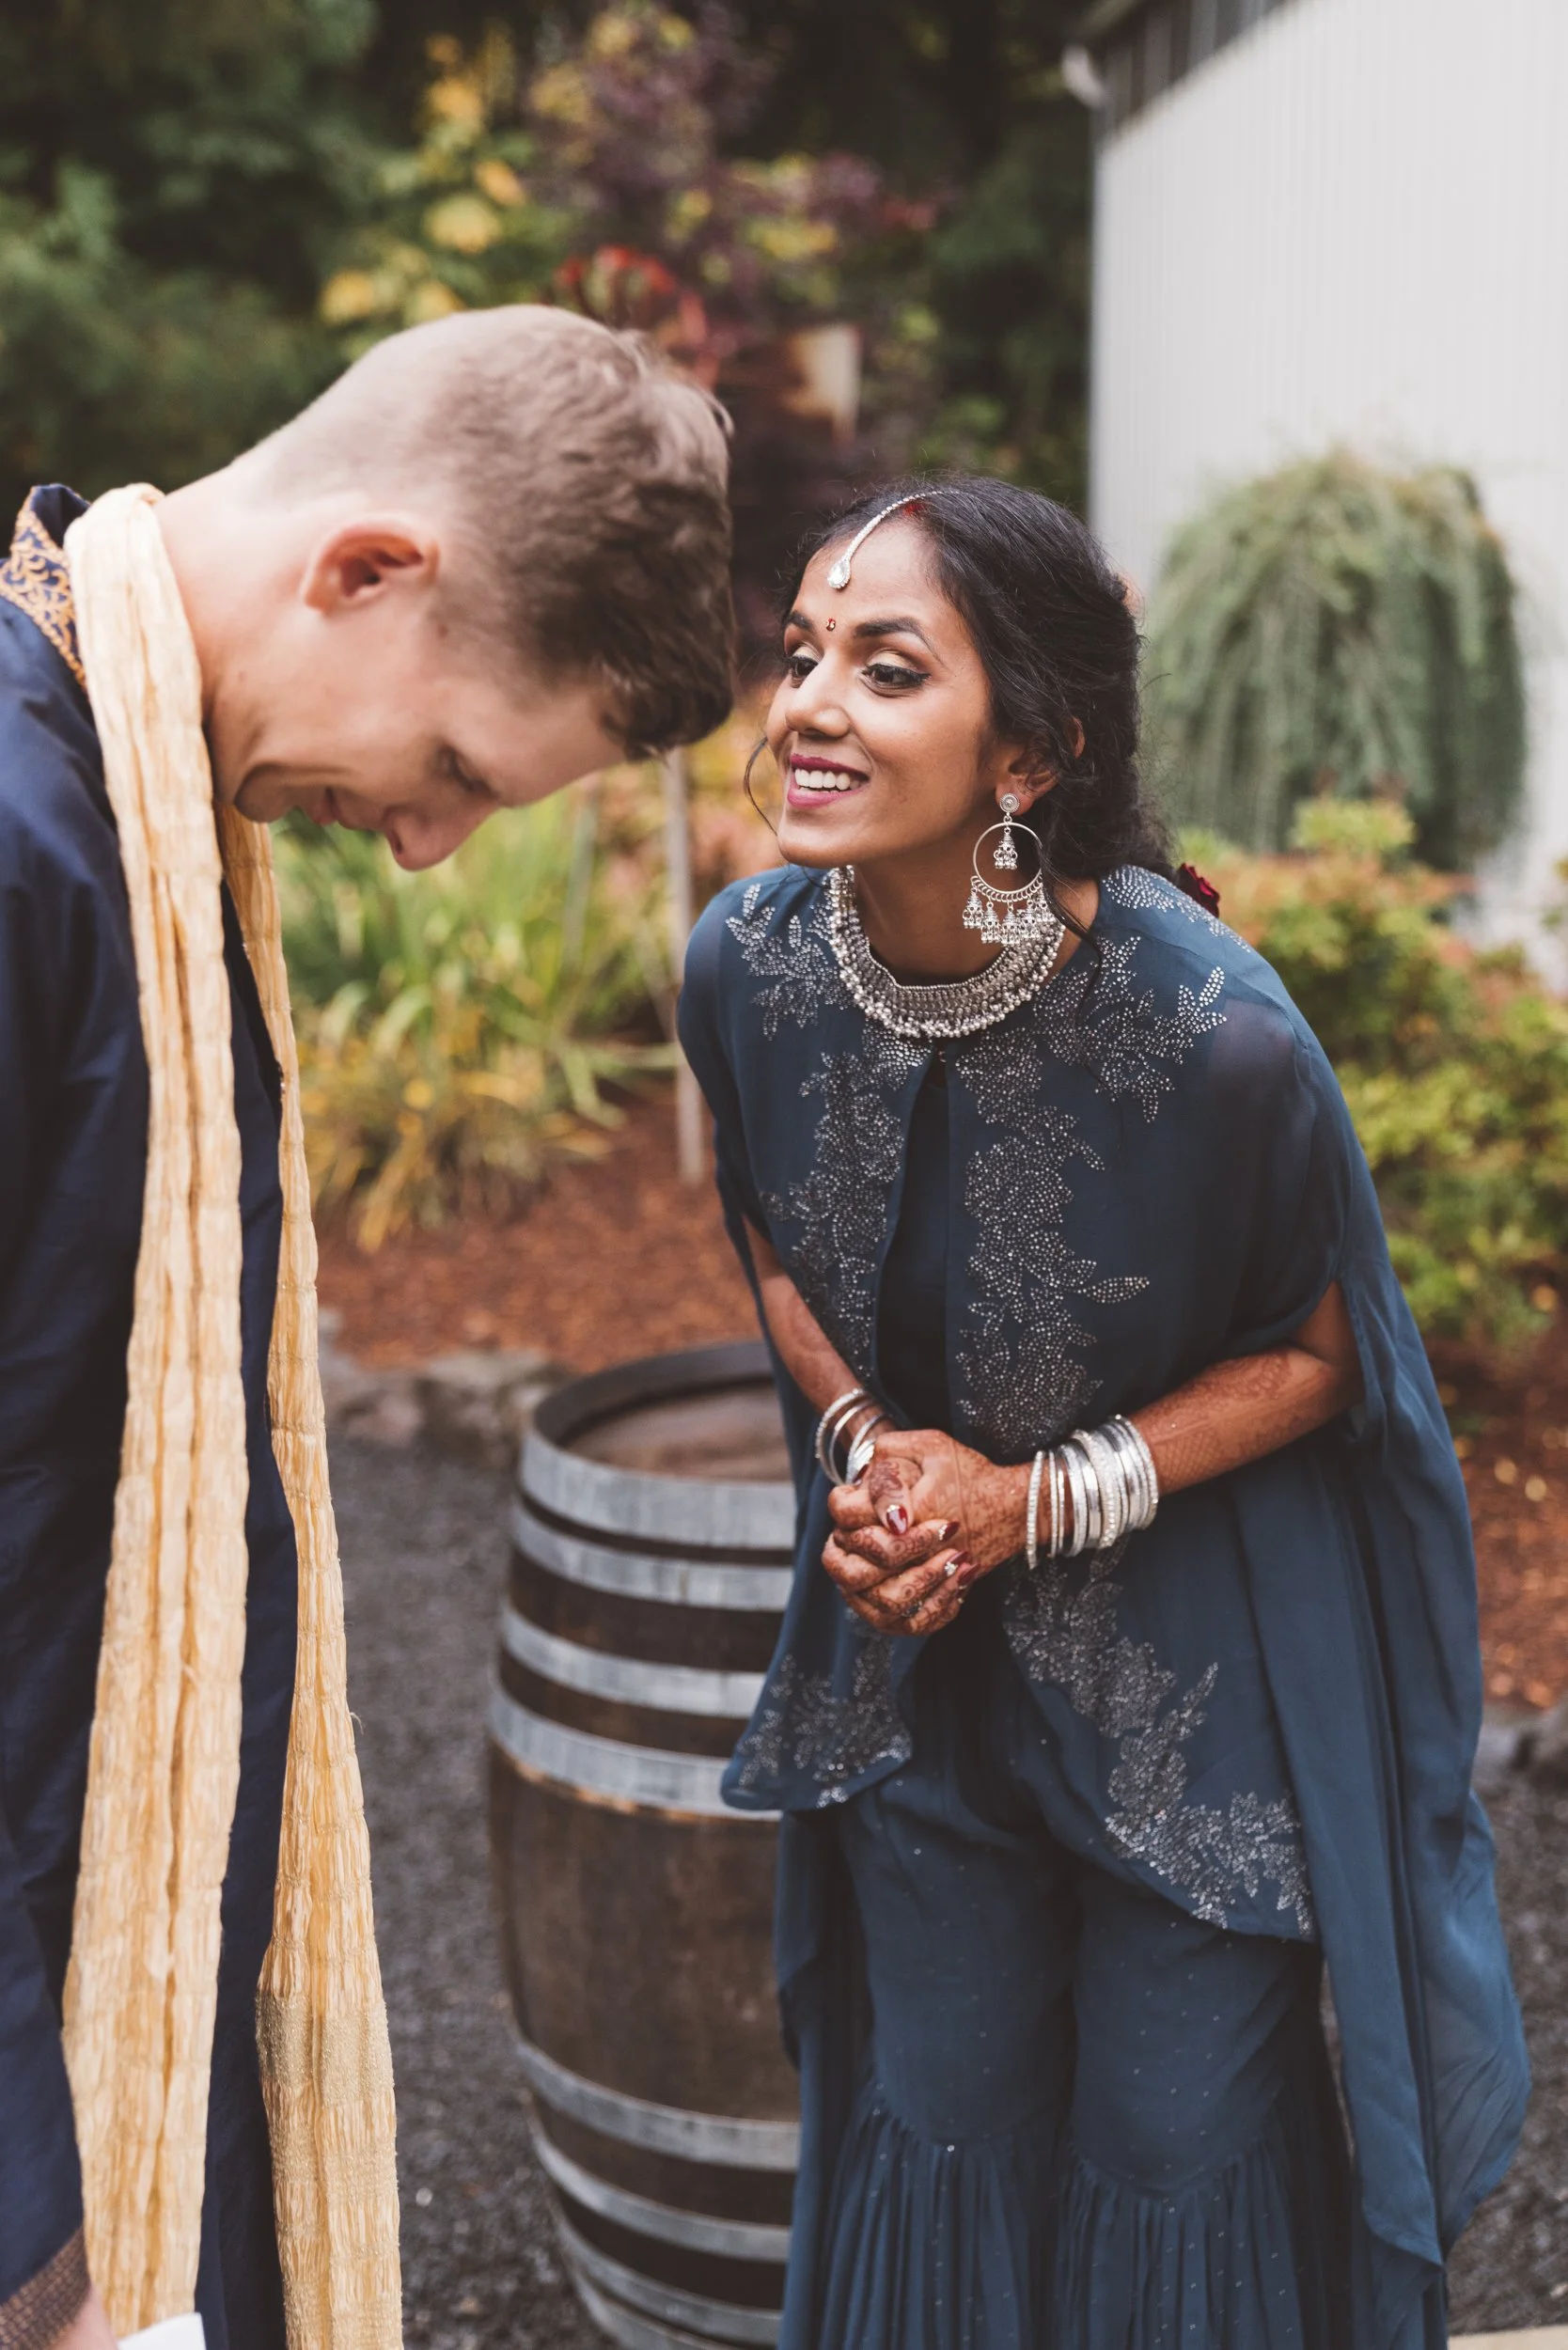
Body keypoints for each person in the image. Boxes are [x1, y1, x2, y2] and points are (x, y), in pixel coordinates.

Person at [679, 477, 1526, 2350]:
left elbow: (1323, 1352)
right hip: (918, 1659)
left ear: (1031, 751)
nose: (810, 700)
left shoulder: (1215, 1031)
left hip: (1195, 1681)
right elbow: (774, 1232)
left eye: (885, 668)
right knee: (946, 2108)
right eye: (803, 650)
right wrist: (869, 1458)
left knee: (1171, 2144)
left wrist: (1028, 1502)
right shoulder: (742, 969)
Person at [0, 305, 732, 2350]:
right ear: (370, 569)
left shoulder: (137, 818)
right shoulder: (24, 847)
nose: (421, 845)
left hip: (132, 1987)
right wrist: (36, 2249)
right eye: (452, 769)